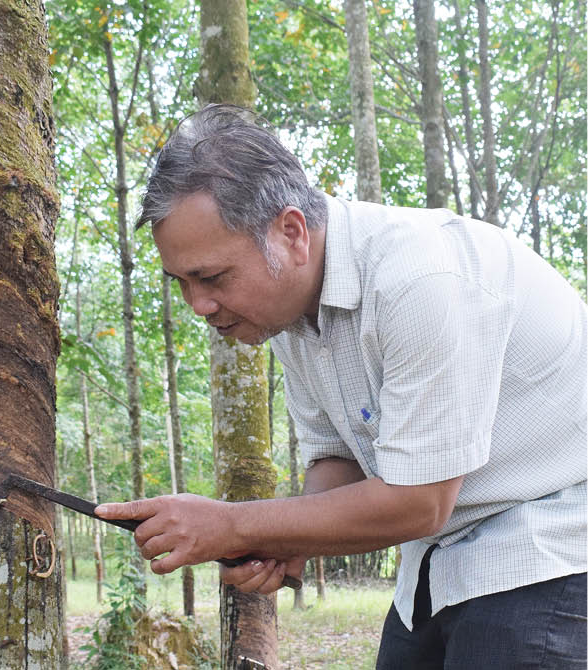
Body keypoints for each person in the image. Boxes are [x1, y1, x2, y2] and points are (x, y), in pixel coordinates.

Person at [94, 104, 587, 668]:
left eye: (212, 277)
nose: (199, 306)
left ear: (291, 233)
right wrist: (289, 539)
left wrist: (232, 524)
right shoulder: (284, 316)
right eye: (180, 282)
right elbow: (337, 457)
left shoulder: (420, 280)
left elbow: (418, 500)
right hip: (437, 562)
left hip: (549, 549)